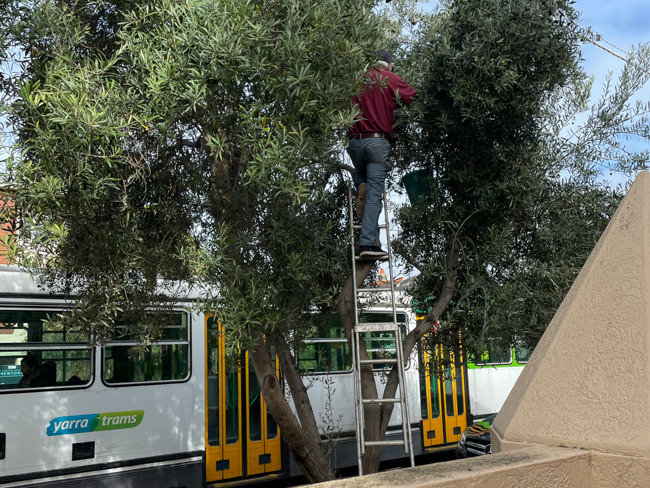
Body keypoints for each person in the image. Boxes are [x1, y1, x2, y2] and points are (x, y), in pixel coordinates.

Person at [347, 49, 416, 260]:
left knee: (364, 187)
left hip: (354, 144)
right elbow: (411, 95)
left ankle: (361, 195)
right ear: (389, 65)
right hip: (376, 143)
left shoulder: (358, 81)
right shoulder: (387, 78)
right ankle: (367, 242)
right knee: (375, 193)